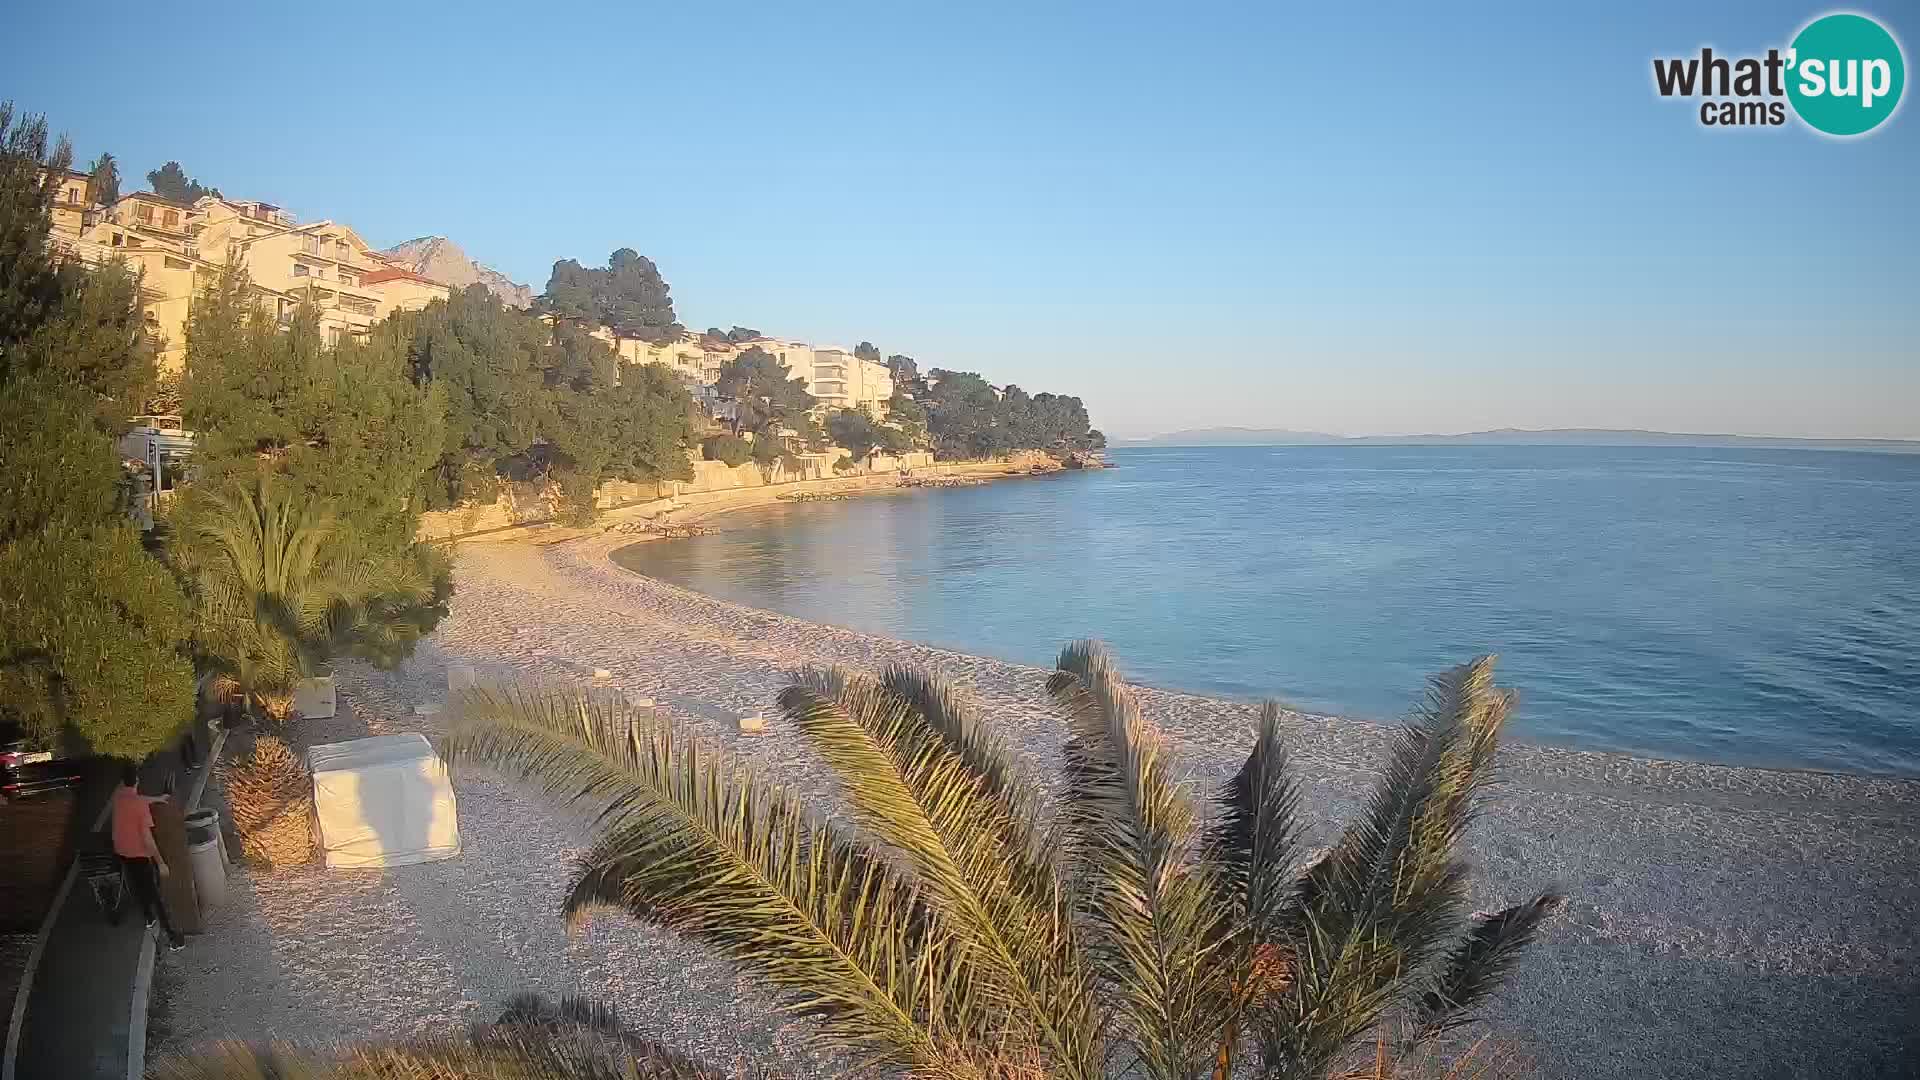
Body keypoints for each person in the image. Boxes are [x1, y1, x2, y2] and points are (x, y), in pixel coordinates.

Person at [109, 763, 184, 950]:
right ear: (137, 781)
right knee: (155, 893)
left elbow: (138, 798)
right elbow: (147, 839)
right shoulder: (140, 807)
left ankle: (149, 918)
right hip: (139, 854)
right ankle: (172, 937)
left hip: (121, 851)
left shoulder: (119, 797)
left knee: (138, 886)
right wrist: (161, 863)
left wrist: (157, 798)